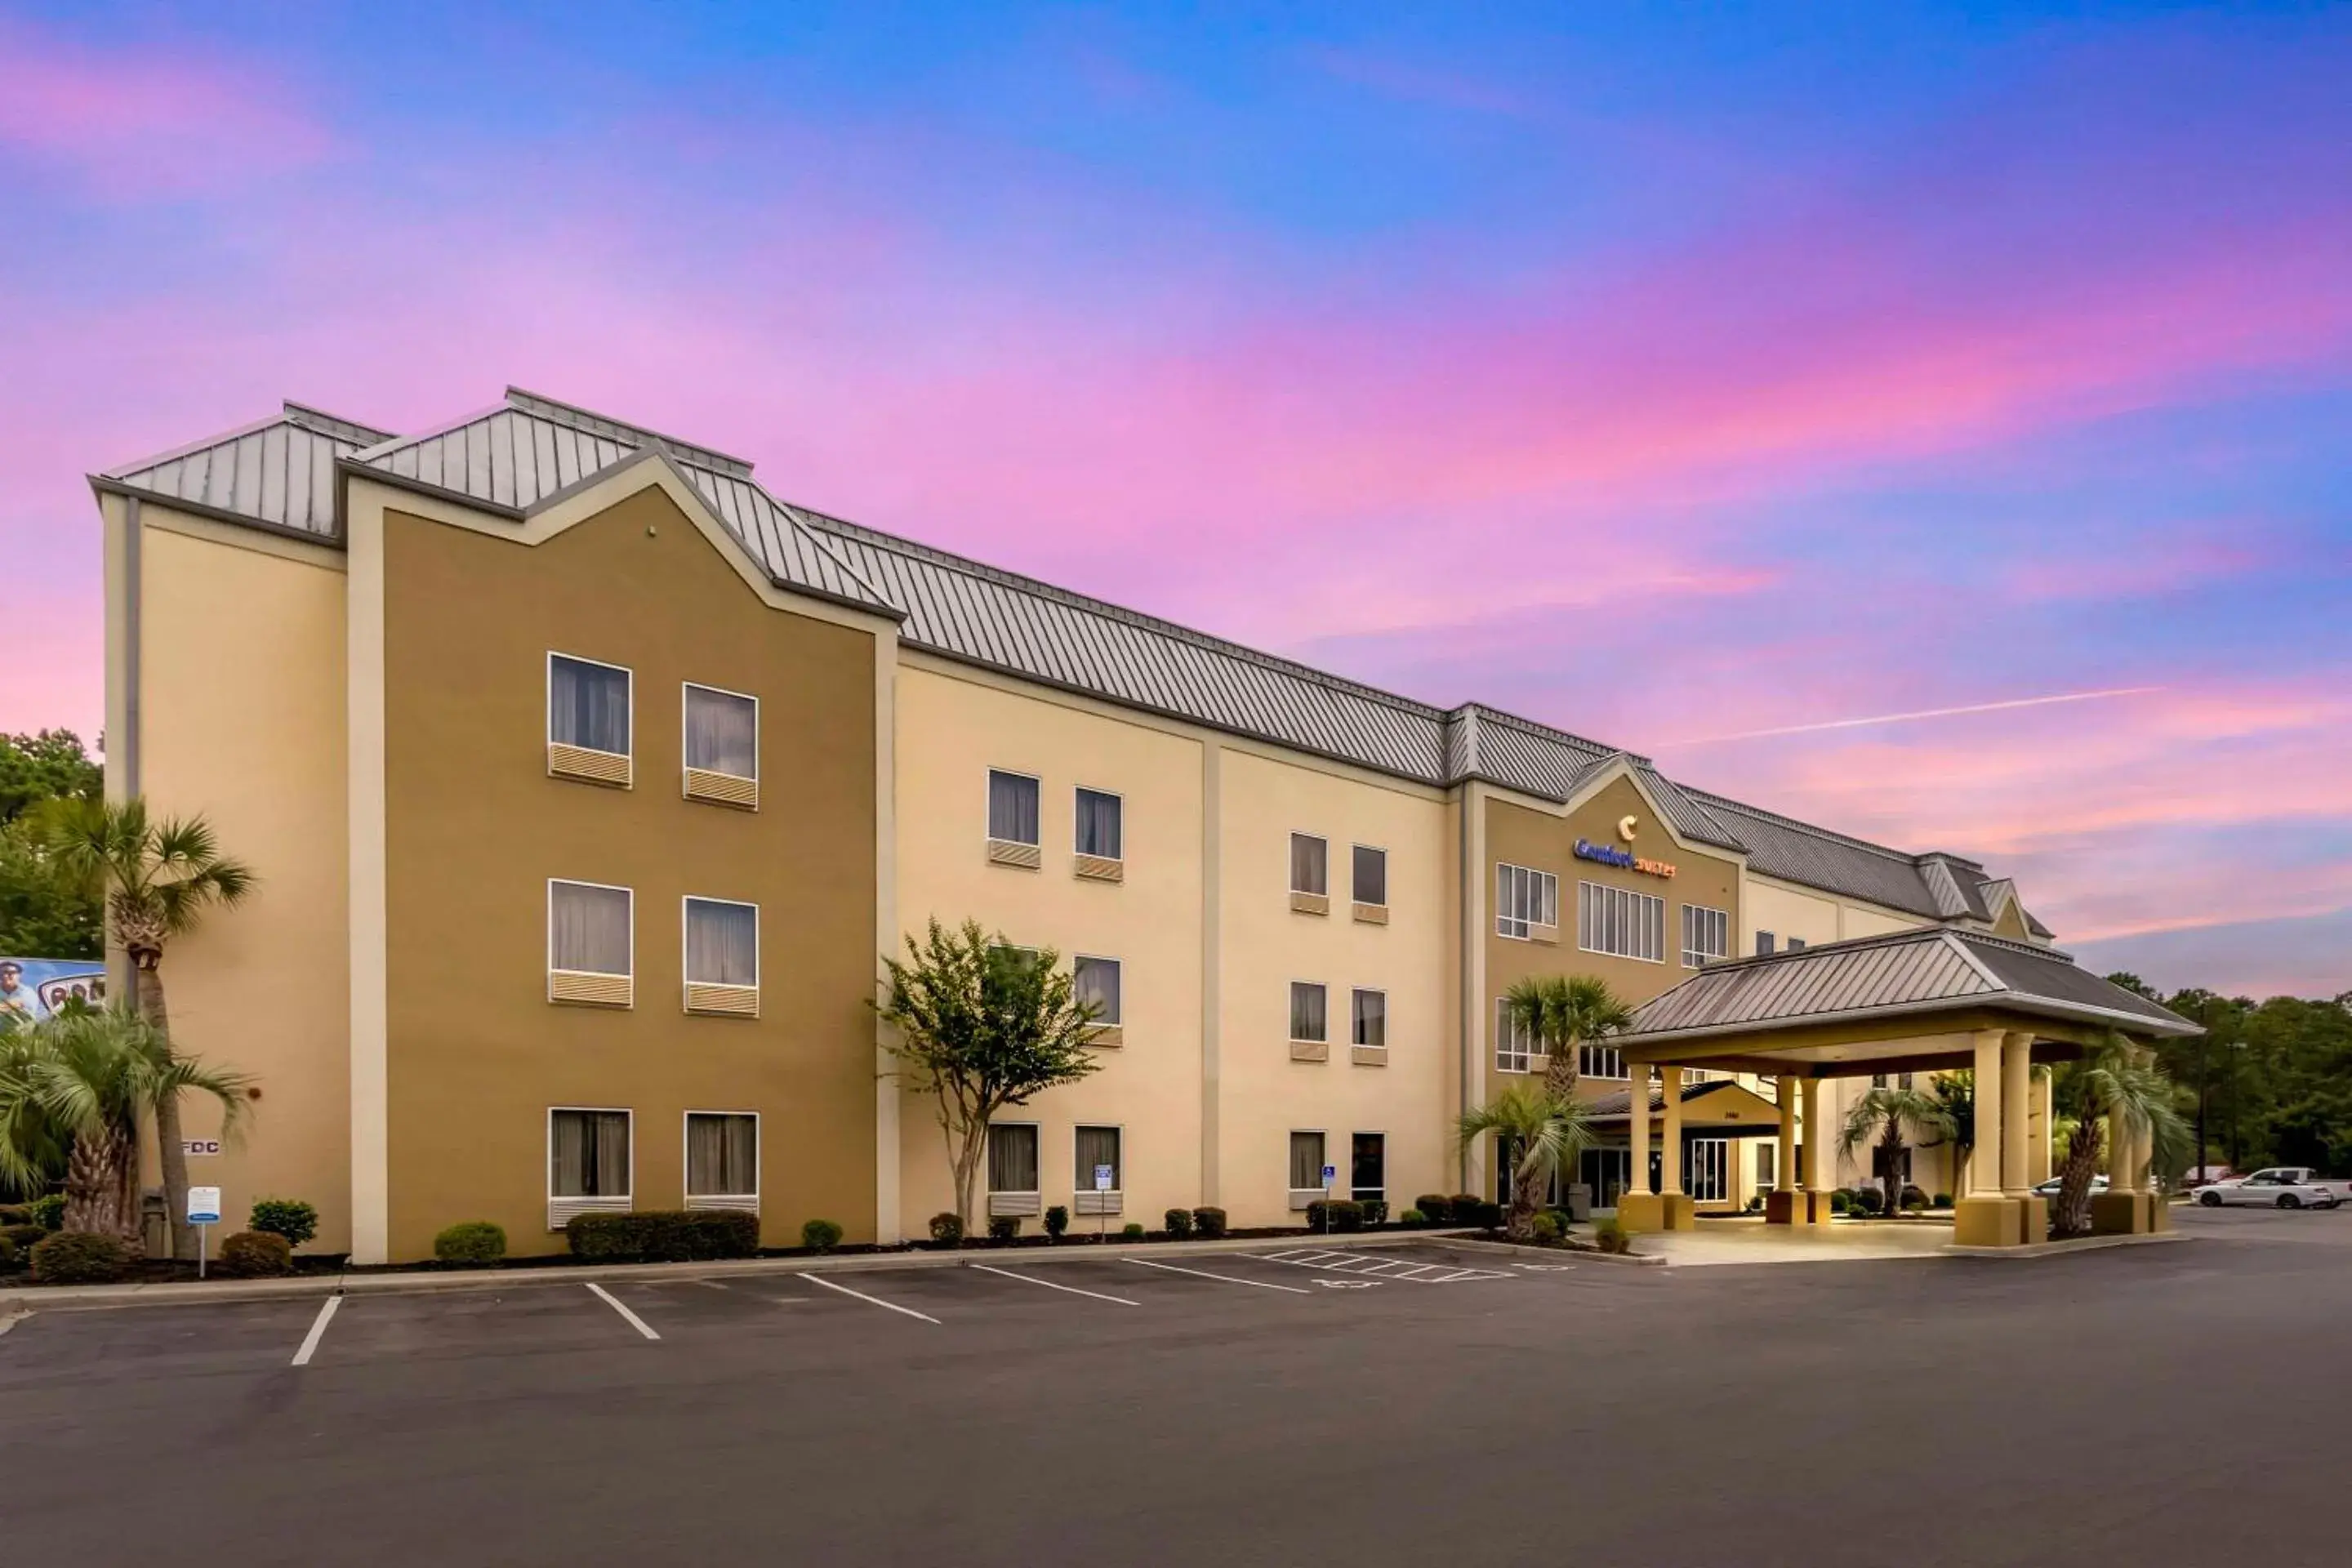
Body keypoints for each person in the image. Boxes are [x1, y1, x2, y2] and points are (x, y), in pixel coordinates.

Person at [0, 961, 33, 1026]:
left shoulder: (27, 992)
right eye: (4, 972)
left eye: (12, 973)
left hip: (21, 1029)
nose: (7, 975)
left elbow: (24, 1010)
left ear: (19, 975)